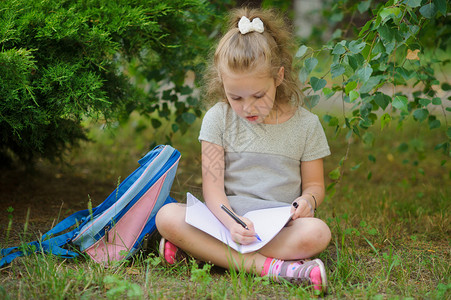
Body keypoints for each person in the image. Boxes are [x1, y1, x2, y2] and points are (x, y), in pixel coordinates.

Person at [156, 7, 331, 292]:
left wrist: (308, 201)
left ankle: (204, 253)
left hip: (277, 228)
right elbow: (213, 191)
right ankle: (276, 269)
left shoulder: (307, 126)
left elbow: (314, 185)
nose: (247, 107)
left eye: (258, 95)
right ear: (221, 83)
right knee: (167, 216)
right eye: (235, 96)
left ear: (278, 76)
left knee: (318, 233)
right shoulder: (217, 118)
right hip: (226, 221)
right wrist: (232, 224)